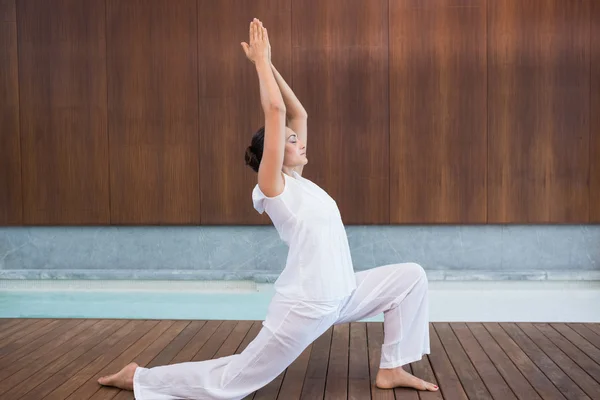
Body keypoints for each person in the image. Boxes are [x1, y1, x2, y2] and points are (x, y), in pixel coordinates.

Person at [97, 18, 438, 399]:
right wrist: (259, 62)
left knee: (411, 277)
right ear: (271, 156)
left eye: (295, 140)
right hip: (306, 306)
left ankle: (392, 368)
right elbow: (275, 113)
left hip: (343, 292)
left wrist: (270, 62)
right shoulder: (273, 187)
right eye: (290, 142)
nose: (299, 142)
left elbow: (298, 114)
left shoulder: (301, 182)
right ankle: (140, 377)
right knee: (234, 382)